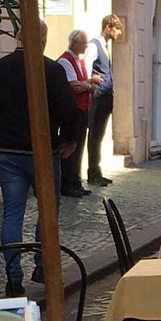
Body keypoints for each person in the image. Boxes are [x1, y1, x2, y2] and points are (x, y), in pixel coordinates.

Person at [0, 19, 77, 291]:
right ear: (43, 39)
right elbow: (69, 110)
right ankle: (43, 267)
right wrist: (69, 139)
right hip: (43, 151)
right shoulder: (51, 70)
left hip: (8, 151)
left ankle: (13, 277)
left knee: (12, 214)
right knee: (48, 212)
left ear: (19, 38)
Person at [57, 30, 103, 198]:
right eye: (83, 43)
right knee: (71, 147)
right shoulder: (65, 61)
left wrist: (87, 83)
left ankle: (76, 182)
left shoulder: (79, 60)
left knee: (80, 147)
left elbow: (80, 83)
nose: (85, 46)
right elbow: (74, 86)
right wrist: (90, 84)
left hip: (82, 109)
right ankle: (67, 184)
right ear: (74, 43)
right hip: (72, 110)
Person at [85, 14, 123, 187]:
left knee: (99, 135)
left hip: (107, 97)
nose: (119, 33)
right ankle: (92, 173)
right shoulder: (94, 46)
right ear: (109, 27)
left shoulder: (106, 46)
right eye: (117, 29)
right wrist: (91, 81)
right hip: (98, 97)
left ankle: (97, 171)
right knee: (94, 135)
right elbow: (86, 69)